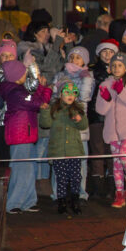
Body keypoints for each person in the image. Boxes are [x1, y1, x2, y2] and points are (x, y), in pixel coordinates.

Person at [0, 60, 52, 213]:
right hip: (20, 135)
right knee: (20, 168)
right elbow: (37, 103)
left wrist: (41, 89)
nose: (25, 75)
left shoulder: (17, 90)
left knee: (29, 168)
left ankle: (28, 201)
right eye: (23, 73)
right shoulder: (15, 92)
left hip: (26, 134)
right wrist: (45, 89)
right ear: (16, 75)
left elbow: (35, 101)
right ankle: (13, 203)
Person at [95, 52, 126, 208]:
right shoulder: (105, 84)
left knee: (123, 154)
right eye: (113, 65)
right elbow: (100, 110)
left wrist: (122, 92)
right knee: (116, 162)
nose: (116, 68)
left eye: (120, 65)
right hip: (112, 130)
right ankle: (119, 193)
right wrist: (107, 99)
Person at [51, 46, 94, 201]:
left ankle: (80, 193)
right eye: (72, 57)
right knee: (59, 162)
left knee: (81, 163)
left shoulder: (87, 77)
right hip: (61, 126)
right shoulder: (60, 75)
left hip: (79, 127)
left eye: (78, 57)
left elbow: (84, 98)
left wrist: (87, 79)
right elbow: (54, 98)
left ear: (84, 61)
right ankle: (58, 193)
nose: (74, 60)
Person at [39, 80, 88, 214]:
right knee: (61, 178)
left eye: (74, 92)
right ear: (60, 94)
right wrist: (44, 111)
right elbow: (45, 124)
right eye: (67, 92)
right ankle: (61, 202)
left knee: (76, 177)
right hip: (58, 151)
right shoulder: (54, 109)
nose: (70, 95)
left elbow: (83, 126)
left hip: (74, 150)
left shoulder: (78, 109)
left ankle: (75, 201)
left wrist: (79, 119)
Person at [88, 38, 119, 198]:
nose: (107, 55)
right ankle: (97, 188)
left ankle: (113, 187)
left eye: (111, 52)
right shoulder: (93, 72)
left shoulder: (120, 70)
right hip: (96, 116)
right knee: (98, 151)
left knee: (112, 152)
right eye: (104, 52)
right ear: (99, 54)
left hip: (114, 118)